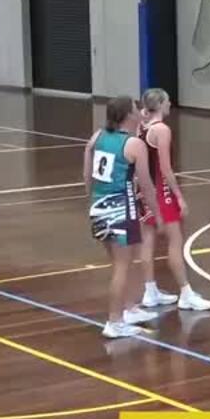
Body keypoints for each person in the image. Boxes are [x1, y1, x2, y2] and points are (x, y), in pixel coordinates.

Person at [84, 96, 162, 339]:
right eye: (136, 108)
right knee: (122, 266)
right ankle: (114, 322)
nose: (140, 111)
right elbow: (147, 186)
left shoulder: (98, 137)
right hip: (120, 209)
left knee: (121, 263)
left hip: (99, 206)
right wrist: (156, 214)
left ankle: (129, 309)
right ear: (129, 115)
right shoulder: (133, 144)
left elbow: (87, 171)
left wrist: (93, 198)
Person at [136, 89, 210, 314]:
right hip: (161, 191)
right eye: (168, 100)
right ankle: (186, 293)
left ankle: (150, 291)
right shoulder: (162, 130)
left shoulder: (142, 126)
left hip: (143, 190)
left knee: (148, 240)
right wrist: (179, 195)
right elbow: (166, 168)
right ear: (160, 104)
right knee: (175, 240)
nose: (171, 103)